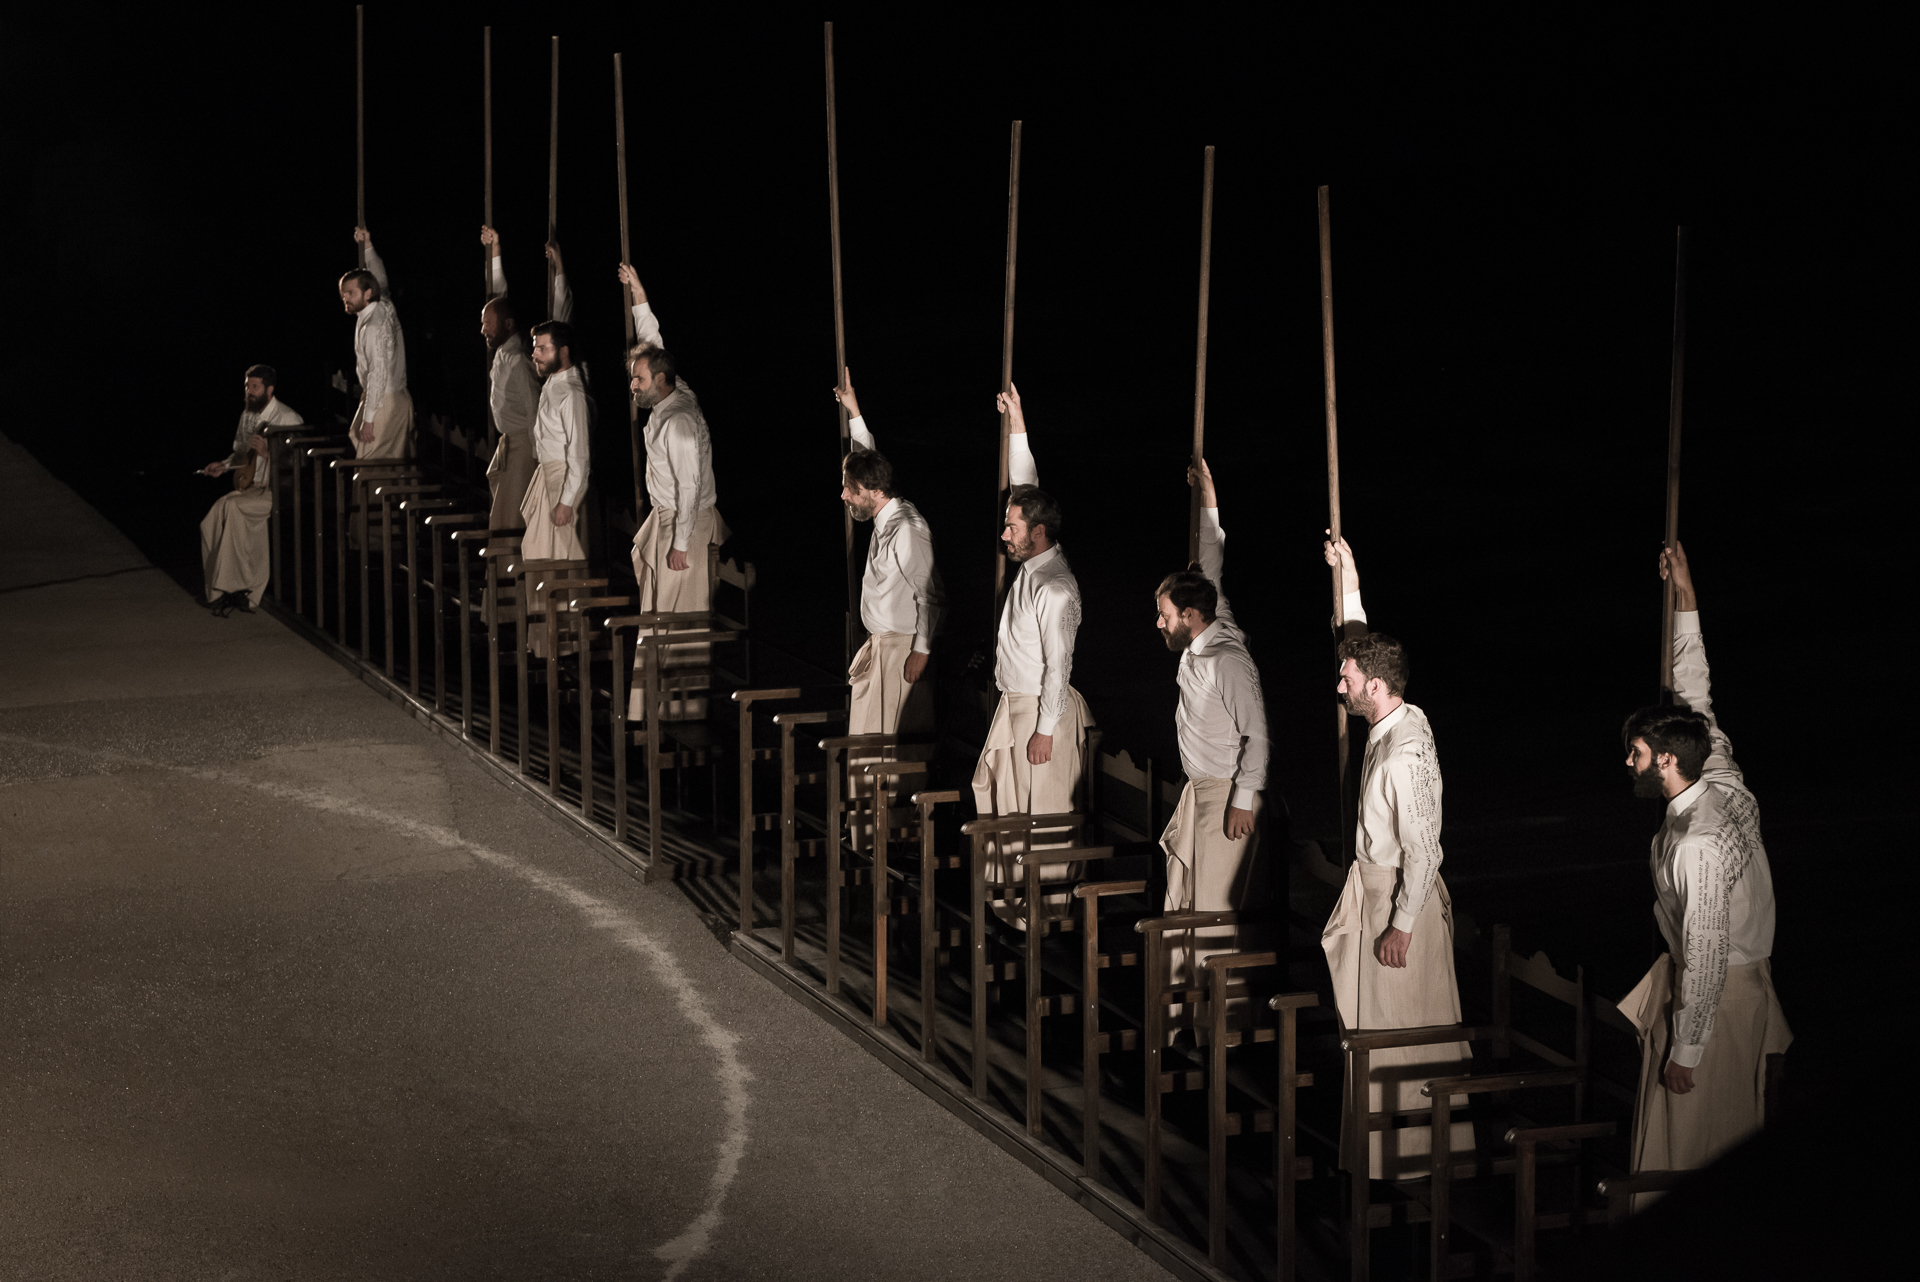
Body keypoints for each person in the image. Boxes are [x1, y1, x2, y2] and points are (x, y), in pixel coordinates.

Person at [1616, 542, 1790, 1195]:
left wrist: (1687, 1050)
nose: (1629, 763)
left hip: (1719, 1000)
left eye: (1636, 753)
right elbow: (1695, 690)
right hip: (1722, 988)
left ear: (1666, 760)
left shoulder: (1698, 842)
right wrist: (1684, 594)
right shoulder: (1715, 767)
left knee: (1694, 1145)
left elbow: (1710, 950)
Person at [1319, 535, 1473, 1180]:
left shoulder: (1405, 752)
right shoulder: (1391, 715)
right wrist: (1349, 575)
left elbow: (1425, 849)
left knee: (1402, 1032)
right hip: (1378, 891)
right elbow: (1358, 640)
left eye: (1348, 680)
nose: (1339, 686)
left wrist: (1401, 926)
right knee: (1373, 1032)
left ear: (1376, 686)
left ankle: (1413, 1164)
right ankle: (1377, 1161)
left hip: (1399, 905)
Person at [1154, 459, 1270, 1037]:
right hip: (1200, 792)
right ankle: (1187, 1019)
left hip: (1225, 797)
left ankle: (1223, 1029)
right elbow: (1210, 559)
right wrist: (1209, 498)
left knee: (1215, 916)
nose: (1159, 624)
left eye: (1165, 615)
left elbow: (1258, 734)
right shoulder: (1206, 619)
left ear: (1191, 616)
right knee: (1187, 908)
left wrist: (1243, 799)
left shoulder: (1227, 659)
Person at [971, 385, 1093, 926]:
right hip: (1016, 705)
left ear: (1038, 533)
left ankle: (1046, 916)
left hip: (1043, 714)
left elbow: (1058, 666)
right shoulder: (1032, 566)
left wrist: (1044, 730)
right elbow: (1026, 484)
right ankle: (1012, 907)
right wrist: (1017, 420)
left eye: (1013, 527)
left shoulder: (1056, 587)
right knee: (1011, 808)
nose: (1004, 534)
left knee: (1041, 813)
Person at [620, 261, 727, 720]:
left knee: (677, 623)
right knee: (658, 618)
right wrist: (638, 294)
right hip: (670, 520)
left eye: (639, 380)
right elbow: (654, 346)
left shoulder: (679, 420)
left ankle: (680, 715)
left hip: (686, 524)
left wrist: (681, 544)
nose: (633, 386)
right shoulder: (670, 388)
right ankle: (652, 713)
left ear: (660, 382)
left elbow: (690, 486)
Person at [831, 367, 944, 736]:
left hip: (901, 650)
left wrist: (921, 651)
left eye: (851, 489)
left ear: (875, 491)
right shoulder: (882, 509)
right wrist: (853, 410)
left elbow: (931, 595)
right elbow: (865, 456)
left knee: (893, 742)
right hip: (881, 647)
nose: (844, 495)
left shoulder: (907, 529)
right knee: (867, 741)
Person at [478, 227, 574, 531]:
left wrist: (536, 456)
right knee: (504, 516)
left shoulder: (520, 359)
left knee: (514, 519)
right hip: (510, 443)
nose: (483, 330)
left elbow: (535, 412)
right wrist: (494, 252)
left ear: (508, 325)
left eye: (488, 325)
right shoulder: (503, 349)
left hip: (525, 446)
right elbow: (497, 298)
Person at [198, 365, 304, 614]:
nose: (249, 391)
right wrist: (223, 466)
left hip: (277, 490)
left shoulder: (288, 418)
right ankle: (220, 589)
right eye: (247, 386)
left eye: (255, 387)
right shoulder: (247, 415)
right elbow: (240, 455)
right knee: (212, 519)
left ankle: (236, 589)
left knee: (235, 508)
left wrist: (268, 453)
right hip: (250, 486)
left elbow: (299, 464)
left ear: (269, 389)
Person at [339, 227, 412, 460]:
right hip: (390, 396)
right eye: (343, 293)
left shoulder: (374, 326)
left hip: (384, 399)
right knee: (382, 459)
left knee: (372, 461)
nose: (345, 298)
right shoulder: (383, 305)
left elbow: (378, 372)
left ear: (367, 294)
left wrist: (369, 419)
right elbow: (380, 280)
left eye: (350, 293)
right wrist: (368, 246)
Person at [521, 320, 590, 563]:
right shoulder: (553, 383)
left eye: (542, 348)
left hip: (563, 480)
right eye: (535, 348)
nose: (534, 355)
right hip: (549, 475)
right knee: (541, 553)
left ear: (563, 351)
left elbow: (579, 453)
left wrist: (566, 502)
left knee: (560, 555)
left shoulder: (571, 393)